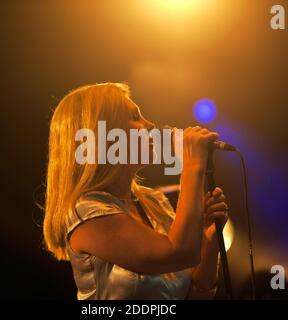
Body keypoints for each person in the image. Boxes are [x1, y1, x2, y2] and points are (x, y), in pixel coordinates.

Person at [43, 82, 229, 299]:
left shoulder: (154, 202)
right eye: (135, 116)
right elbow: (178, 253)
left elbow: (196, 294)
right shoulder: (87, 212)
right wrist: (192, 164)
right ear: (105, 134)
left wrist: (209, 240)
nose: (150, 125)